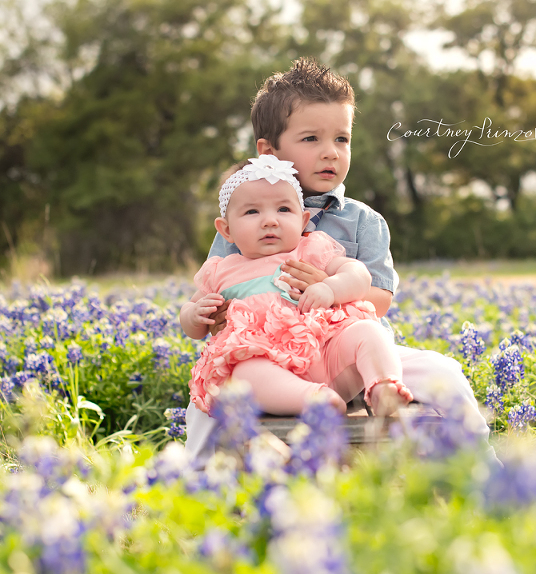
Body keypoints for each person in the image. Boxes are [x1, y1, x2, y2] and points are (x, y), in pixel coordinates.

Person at [185, 58, 492, 468]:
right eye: (311, 138)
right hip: (266, 361)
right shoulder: (241, 218)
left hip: (347, 356)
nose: (330, 152)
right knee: (209, 400)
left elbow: (379, 300)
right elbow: (211, 302)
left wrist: (329, 289)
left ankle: (485, 469)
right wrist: (211, 313)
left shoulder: (363, 220)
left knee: (445, 374)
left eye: (342, 139)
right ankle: (197, 480)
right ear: (268, 151)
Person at [180, 154, 413, 419]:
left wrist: (331, 288)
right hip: (267, 365)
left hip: (328, 354)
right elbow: (190, 318)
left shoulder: (310, 249)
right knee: (244, 372)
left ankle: (384, 386)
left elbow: (358, 273)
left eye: (283, 210)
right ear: (226, 230)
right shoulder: (221, 270)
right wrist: (194, 314)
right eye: (252, 211)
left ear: (303, 221)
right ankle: (315, 400)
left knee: (368, 332)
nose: (270, 220)